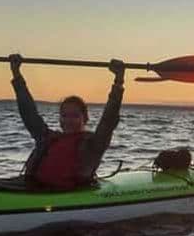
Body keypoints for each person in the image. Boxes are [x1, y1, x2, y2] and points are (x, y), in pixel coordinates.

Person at [9, 54, 125, 190]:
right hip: (34, 187)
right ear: (59, 118)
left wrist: (118, 81)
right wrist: (16, 74)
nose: (68, 120)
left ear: (85, 118)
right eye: (64, 115)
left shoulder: (93, 144)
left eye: (75, 116)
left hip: (67, 193)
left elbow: (108, 120)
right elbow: (29, 113)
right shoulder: (47, 138)